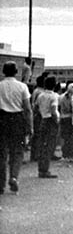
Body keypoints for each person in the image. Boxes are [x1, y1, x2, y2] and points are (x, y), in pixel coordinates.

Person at [0, 62, 33, 193]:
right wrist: (30, 127)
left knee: (1, 152)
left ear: (3, 72)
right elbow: (28, 109)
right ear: (16, 72)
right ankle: (14, 176)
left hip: (1, 119)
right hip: (17, 120)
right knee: (17, 151)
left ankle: (0, 183)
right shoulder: (22, 87)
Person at [35, 75, 60, 179]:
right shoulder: (54, 96)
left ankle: (41, 168)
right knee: (50, 146)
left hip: (43, 119)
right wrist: (56, 120)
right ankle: (45, 170)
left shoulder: (40, 95)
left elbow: (35, 107)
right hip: (51, 120)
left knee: (42, 145)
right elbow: (54, 110)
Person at [58, 82, 73, 162]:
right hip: (70, 118)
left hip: (63, 117)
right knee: (70, 136)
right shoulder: (72, 97)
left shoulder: (60, 97)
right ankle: (69, 153)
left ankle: (65, 153)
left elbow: (58, 107)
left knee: (64, 137)